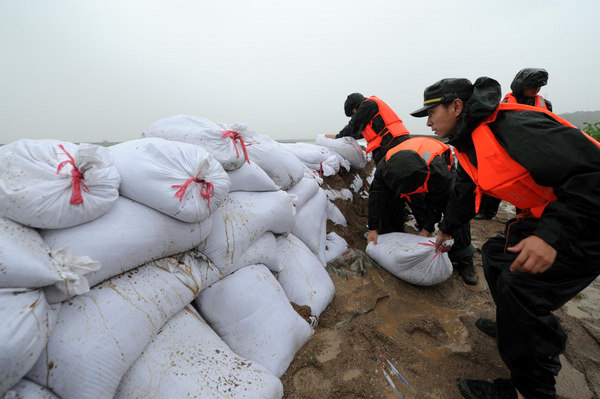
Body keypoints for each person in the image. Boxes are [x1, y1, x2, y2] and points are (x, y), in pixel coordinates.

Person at [411, 77, 600, 398]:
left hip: (586, 219)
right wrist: (447, 228)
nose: (428, 122)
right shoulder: (469, 139)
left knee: (520, 287)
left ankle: (530, 389)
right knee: (496, 254)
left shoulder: (513, 127)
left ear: (456, 106)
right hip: (552, 213)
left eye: (431, 112)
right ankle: (514, 327)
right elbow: (466, 187)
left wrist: (551, 237)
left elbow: (592, 172)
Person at [366, 135, 477, 285]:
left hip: (438, 165)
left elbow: (436, 203)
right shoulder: (384, 167)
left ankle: (464, 259)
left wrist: (427, 227)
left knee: (454, 208)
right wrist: (373, 227)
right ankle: (395, 233)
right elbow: (376, 197)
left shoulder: (438, 172)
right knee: (389, 203)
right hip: (406, 169)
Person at [475, 68, 553, 220]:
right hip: (508, 149)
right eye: (533, 85)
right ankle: (487, 211)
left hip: (534, 151)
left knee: (530, 186)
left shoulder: (546, 105)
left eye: (540, 86)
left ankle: (525, 214)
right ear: (521, 85)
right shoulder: (503, 105)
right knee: (499, 182)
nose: (537, 89)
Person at [325, 93, 410, 165]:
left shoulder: (368, 105)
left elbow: (354, 125)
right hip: (393, 142)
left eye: (353, 113)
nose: (353, 115)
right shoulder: (370, 113)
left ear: (355, 106)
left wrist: (337, 137)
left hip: (392, 143)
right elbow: (357, 133)